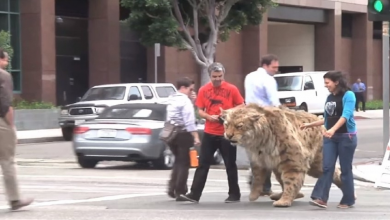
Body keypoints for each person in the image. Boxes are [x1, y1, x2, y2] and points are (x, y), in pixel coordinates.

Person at [178, 62, 245, 203]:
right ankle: (194, 194)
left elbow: (242, 105)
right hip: (210, 131)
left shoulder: (231, 89)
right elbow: (200, 110)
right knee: (203, 163)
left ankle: (234, 194)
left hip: (227, 132)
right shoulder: (204, 90)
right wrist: (209, 117)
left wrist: (228, 113)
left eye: (220, 76)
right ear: (210, 76)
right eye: (215, 76)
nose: (218, 79)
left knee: (230, 164)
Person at [300, 71, 357, 209]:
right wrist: (309, 124)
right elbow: (327, 118)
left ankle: (348, 199)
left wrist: (333, 130)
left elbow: (346, 115)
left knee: (345, 170)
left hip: (346, 137)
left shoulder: (348, 95)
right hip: (330, 138)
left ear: (336, 82)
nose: (326, 86)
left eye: (327, 83)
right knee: (327, 167)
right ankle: (321, 198)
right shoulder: (330, 97)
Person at [0, 49, 34, 210]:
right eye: (6, 60)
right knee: (7, 160)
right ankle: (14, 199)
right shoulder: (4, 76)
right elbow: (5, 104)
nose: (6, 64)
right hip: (1, 123)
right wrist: (11, 127)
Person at [244, 54, 281, 196]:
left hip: (250, 117)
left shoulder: (249, 76)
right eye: (274, 67)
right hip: (265, 118)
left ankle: (257, 182)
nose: (276, 70)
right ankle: (264, 186)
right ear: (265, 65)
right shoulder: (268, 80)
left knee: (255, 152)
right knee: (269, 153)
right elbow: (274, 101)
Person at [166, 77, 201, 200]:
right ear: (183, 88)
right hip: (183, 134)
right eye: (190, 89)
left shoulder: (171, 98)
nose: (192, 92)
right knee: (184, 163)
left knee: (178, 161)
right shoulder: (184, 101)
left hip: (170, 133)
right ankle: (180, 191)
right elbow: (189, 121)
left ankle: (172, 188)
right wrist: (196, 136)